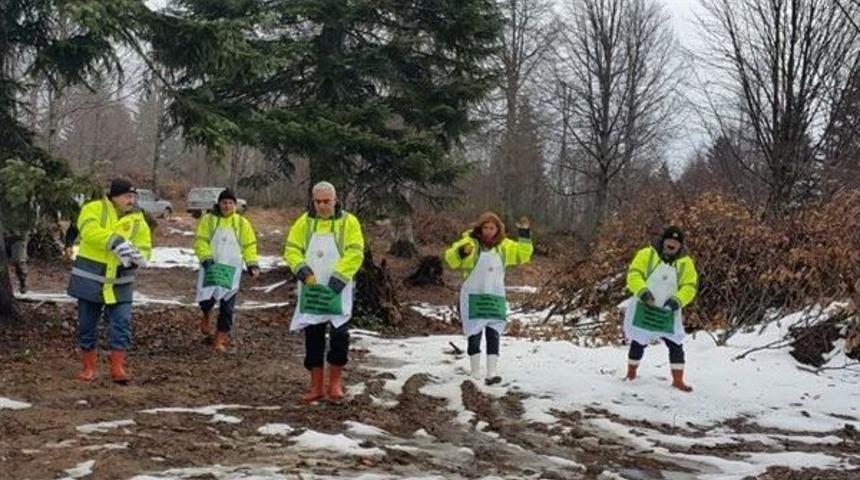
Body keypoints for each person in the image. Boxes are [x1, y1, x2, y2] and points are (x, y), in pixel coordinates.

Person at [284, 181, 364, 403]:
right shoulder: (304, 222)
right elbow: (291, 249)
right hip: (312, 289)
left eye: (326, 201)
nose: (322, 206)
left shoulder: (349, 222)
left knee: (339, 335)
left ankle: (335, 383)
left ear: (335, 200)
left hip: (339, 288)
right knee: (313, 335)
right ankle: (316, 386)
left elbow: (355, 252)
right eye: (317, 201)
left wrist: (338, 280)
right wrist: (304, 273)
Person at [67, 179, 152, 384]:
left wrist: (136, 260)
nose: (131, 200)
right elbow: (88, 231)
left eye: (133, 196)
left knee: (122, 323)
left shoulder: (138, 219)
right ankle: (88, 368)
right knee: (87, 325)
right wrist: (115, 242)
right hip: (90, 279)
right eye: (126, 196)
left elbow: (145, 246)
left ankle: (118, 368)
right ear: (114, 197)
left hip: (120, 281)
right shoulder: (93, 209)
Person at [444, 212, 533, 385]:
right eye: (485, 227)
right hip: (473, 296)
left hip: (495, 296)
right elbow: (450, 258)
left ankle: (492, 373)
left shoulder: (504, 247)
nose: (488, 231)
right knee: (474, 332)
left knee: (494, 333)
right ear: (479, 228)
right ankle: (475, 372)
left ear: (498, 229)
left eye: (492, 228)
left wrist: (524, 234)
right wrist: (461, 252)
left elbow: (523, 254)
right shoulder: (470, 242)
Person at [622, 226, 699, 392]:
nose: (672, 243)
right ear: (663, 240)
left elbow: (690, 286)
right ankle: (631, 374)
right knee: (638, 340)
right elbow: (634, 274)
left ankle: (678, 380)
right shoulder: (646, 255)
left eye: (676, 241)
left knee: (676, 343)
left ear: (680, 245)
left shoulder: (686, 264)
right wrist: (644, 293)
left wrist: (677, 301)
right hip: (645, 308)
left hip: (668, 312)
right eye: (669, 239)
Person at [194, 188, 260, 352]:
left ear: (235, 205)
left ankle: (219, 340)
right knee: (207, 299)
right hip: (211, 266)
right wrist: (206, 259)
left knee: (227, 306)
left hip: (231, 270)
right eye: (224, 202)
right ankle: (206, 314)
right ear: (219, 203)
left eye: (231, 203)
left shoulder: (241, 223)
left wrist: (252, 264)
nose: (227, 206)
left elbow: (249, 245)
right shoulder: (208, 220)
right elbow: (201, 241)